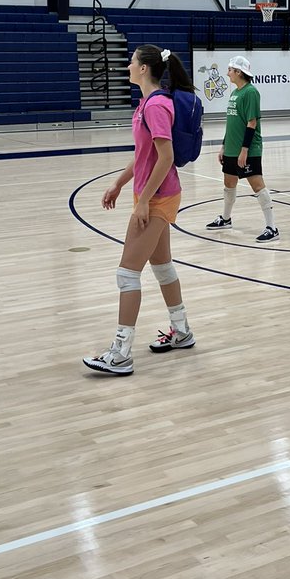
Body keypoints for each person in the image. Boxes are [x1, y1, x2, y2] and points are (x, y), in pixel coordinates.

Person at [83, 45, 197, 376]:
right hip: (152, 194)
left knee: (127, 274)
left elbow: (166, 157)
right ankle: (182, 331)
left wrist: (145, 200)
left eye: (132, 61)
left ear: (144, 68)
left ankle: (120, 354)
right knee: (162, 267)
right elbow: (143, 154)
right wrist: (119, 184)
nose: (128, 66)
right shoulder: (146, 104)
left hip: (158, 197)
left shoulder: (157, 105)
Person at [205, 55, 279, 242]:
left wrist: (244, 150)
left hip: (248, 149)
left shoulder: (250, 92)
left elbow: (251, 123)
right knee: (229, 183)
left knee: (257, 185)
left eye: (230, 69)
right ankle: (226, 219)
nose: (227, 73)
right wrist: (224, 146)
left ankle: (272, 227)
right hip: (231, 148)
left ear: (239, 72)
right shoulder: (235, 93)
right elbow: (232, 123)